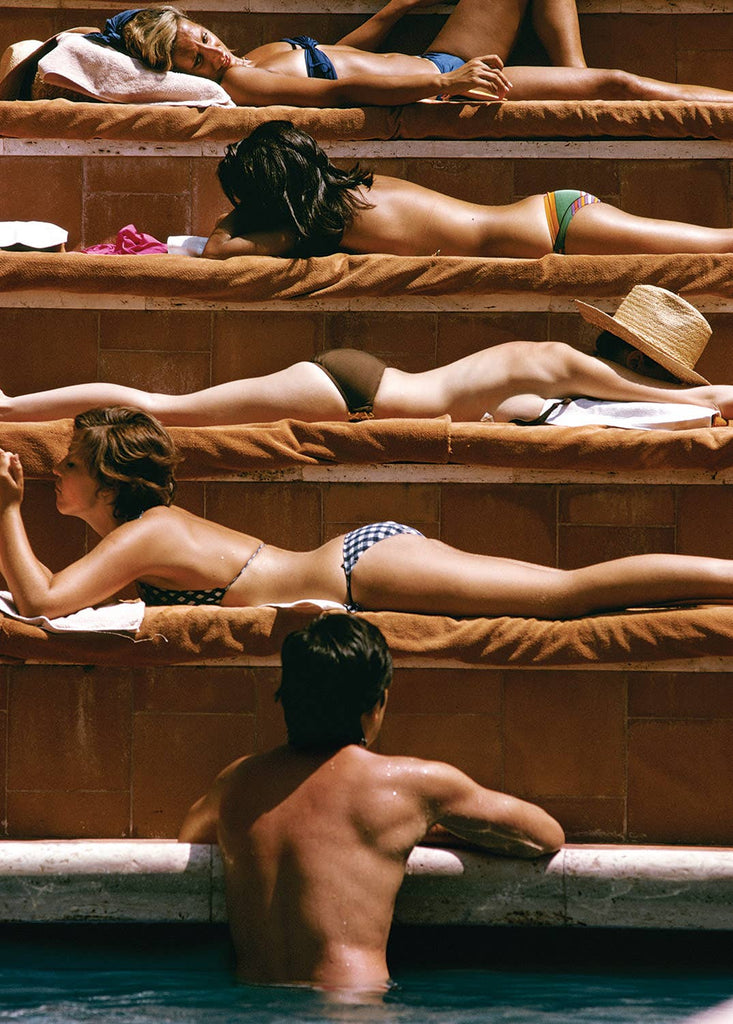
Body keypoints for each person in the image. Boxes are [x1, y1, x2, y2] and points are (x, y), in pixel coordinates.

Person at [1, 404, 733, 620]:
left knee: (566, 593)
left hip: (362, 571)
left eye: (70, 465)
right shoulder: (141, 535)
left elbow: (41, 600)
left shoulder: (148, 532)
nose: (54, 474)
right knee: (567, 591)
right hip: (364, 563)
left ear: (109, 483)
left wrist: (6, 509)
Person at [178, 613, 564, 989]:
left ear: (286, 698)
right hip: (351, 1004)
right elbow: (545, 836)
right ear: (377, 704)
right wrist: (428, 828)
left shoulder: (237, 782)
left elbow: (191, 836)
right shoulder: (410, 786)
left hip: (254, 1003)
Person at [0, 287, 729, 427]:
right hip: (356, 393)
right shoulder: (573, 365)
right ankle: (10, 409)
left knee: (170, 412)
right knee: (166, 412)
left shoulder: (560, 367)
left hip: (362, 385)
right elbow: (695, 401)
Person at [202, 121, 733, 260]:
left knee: (716, 246)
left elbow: (217, 251)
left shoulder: (324, 226)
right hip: (554, 217)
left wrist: (239, 216)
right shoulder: (356, 188)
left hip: (560, 229)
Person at [95, 3, 733, 108]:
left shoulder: (254, 56)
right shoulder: (246, 85)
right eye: (196, 60)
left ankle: (574, 76)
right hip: (446, 84)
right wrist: (446, 88)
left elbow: (340, 56)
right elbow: (342, 89)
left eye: (204, 37)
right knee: (620, 84)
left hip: (438, 59)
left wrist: (396, 10)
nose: (214, 53)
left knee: (597, 82)